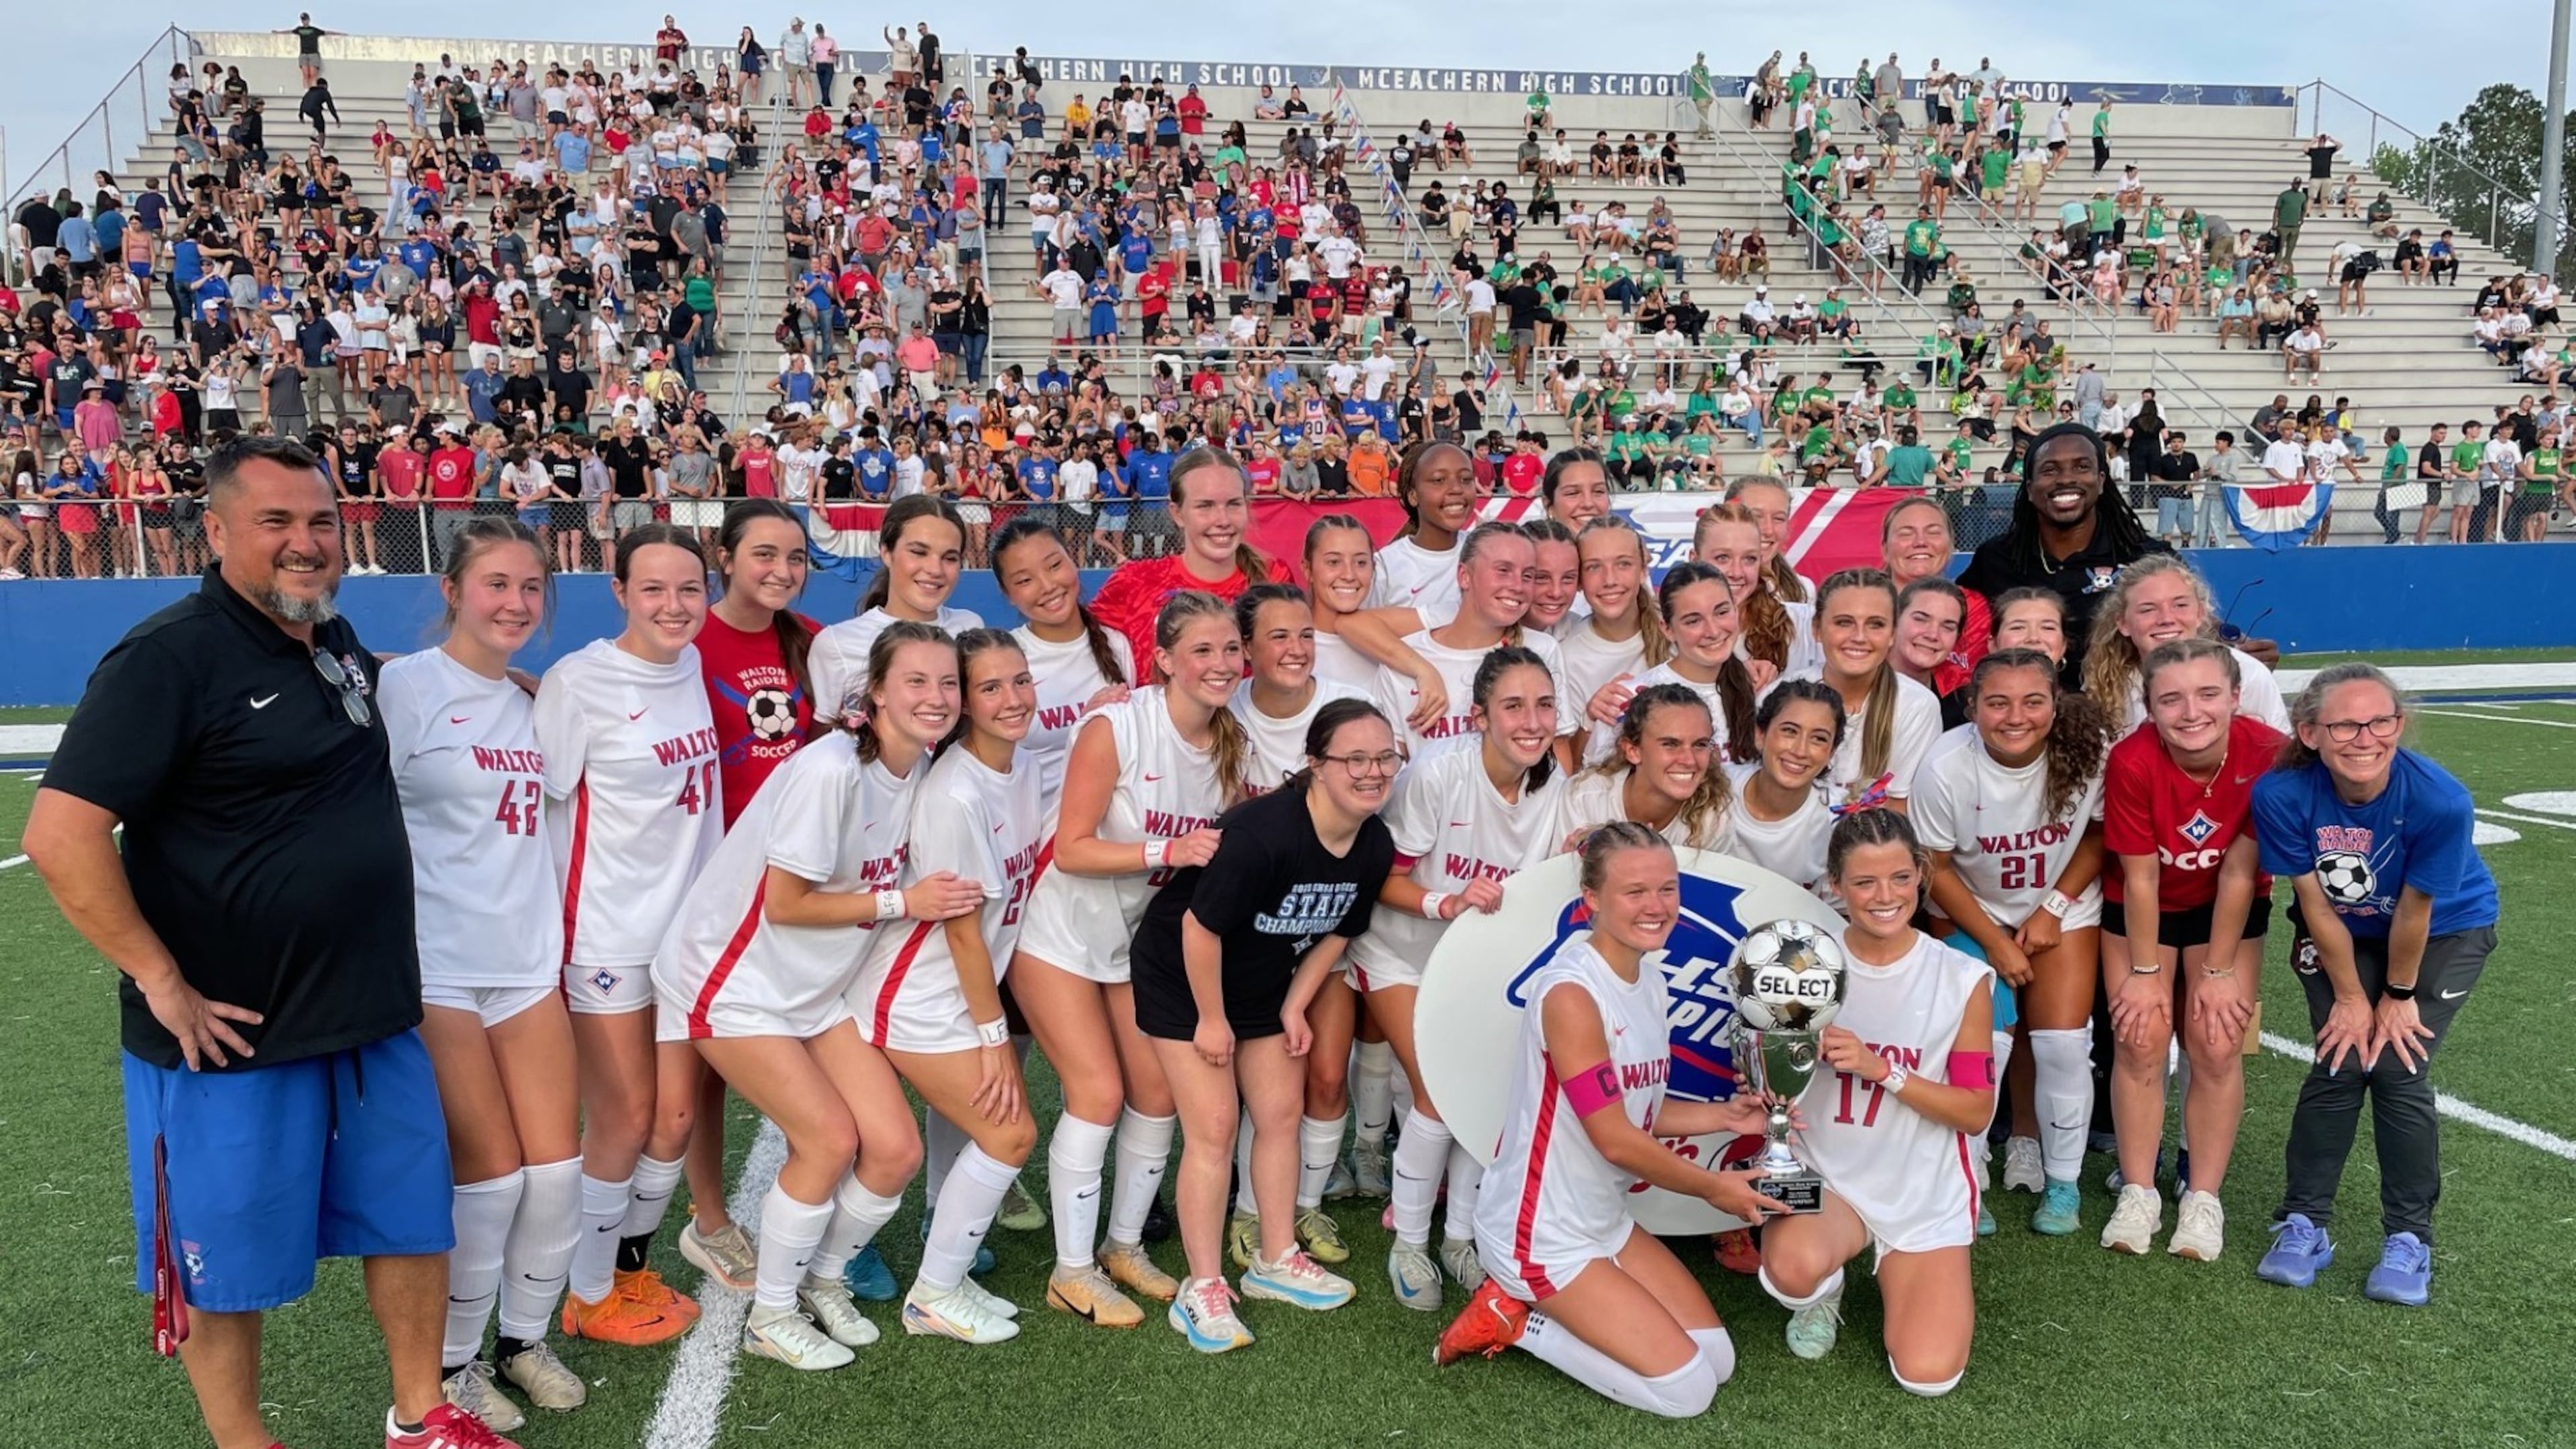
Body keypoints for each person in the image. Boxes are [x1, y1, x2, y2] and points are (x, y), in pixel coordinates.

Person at [22, 435, 515, 1449]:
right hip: (233, 1028)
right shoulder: (168, 657)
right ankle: (243, 1441)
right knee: (223, 1255)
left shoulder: (330, 641)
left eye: (322, 522)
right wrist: (160, 980)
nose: (306, 543)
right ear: (214, 531)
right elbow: (60, 836)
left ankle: (421, 1416)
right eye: (276, 523)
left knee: (414, 1219)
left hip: (373, 1006)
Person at [652, 621, 981, 1368]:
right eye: (917, 683)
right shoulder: (832, 769)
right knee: (830, 1140)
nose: (936, 698)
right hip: (735, 982)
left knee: (893, 1150)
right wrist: (906, 901)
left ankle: (822, 1278)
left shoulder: (924, 772)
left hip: (815, 985)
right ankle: (770, 1316)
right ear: (876, 695)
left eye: (948, 683)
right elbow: (786, 904)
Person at [1432, 824, 1780, 1415]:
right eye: (1635, 892)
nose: (1656, 907)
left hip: (1604, 1219)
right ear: (1591, 898)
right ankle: (1514, 1321)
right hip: (1540, 1235)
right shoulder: (1572, 993)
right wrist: (1714, 1189)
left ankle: (1533, 1308)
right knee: (1688, 1393)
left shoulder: (1649, 974)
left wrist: (1724, 1114)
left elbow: (1636, 1108)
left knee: (1717, 1359)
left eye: (1667, 889)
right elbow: (1616, 1139)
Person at [378, 520, 589, 1432]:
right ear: (454, 589)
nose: (515, 603)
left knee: (557, 1173)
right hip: (438, 966)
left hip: (526, 961)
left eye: (532, 588)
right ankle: (454, 1365)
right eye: (497, 583)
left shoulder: (540, 702)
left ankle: (524, 1341)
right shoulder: (405, 688)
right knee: (492, 1178)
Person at [1009, 591, 1248, 1328]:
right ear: (1165, 660)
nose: (1220, 664)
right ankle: (1070, 1272)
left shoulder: (1232, 744)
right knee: (1098, 1093)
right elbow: (1074, 848)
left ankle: (1121, 1247)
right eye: (1201, 651)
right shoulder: (1117, 725)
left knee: (1157, 1094)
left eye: (1231, 650)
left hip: (1134, 943)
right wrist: (1165, 851)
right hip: (1057, 931)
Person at [1132, 697, 1400, 1350]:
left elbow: (1339, 932)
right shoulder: (1265, 834)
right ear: (1315, 765)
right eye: (1355, 759)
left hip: (1264, 981)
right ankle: (1202, 1288)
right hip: (1187, 979)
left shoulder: (1374, 842)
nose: (1373, 772)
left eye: (1385, 757)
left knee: (1280, 1112)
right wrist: (1213, 1020)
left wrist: (1293, 1005)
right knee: (1215, 1127)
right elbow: (1198, 929)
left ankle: (1275, 1260)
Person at [2252, 665, 2498, 1306]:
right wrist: (2352, 998)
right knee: (2338, 1058)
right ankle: (2304, 1222)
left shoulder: (2439, 800)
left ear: (2399, 724)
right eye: (2344, 724)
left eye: (2380, 721)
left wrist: (2393, 996)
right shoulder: (2281, 796)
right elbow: (2315, 905)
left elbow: (2416, 910)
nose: (2365, 737)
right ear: (2310, 732)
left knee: (2394, 1066)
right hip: (2342, 931)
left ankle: (2409, 1238)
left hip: (2444, 931)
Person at [533, 524, 723, 1349]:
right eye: (653, 589)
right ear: (619, 593)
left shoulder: (691, 665)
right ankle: (585, 1292)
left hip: (686, 940)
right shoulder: (581, 682)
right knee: (624, 1117)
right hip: (606, 936)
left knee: (676, 1119)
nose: (674, 606)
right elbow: (541, 810)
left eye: (689, 588)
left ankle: (629, 1267)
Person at [846, 628, 1057, 1341]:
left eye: (1020, 681)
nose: (1011, 699)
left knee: (989, 1132)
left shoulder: (1022, 767)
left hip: (955, 992)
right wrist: (994, 1037)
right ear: (963, 703)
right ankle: (932, 1295)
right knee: (1011, 1131)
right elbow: (964, 930)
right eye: (989, 688)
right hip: (917, 995)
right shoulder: (955, 793)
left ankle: (944, 1278)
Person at [1350, 645, 1568, 1311]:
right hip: (1400, 954)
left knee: (1488, 1096)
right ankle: (1411, 1242)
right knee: (1442, 1097)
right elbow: (1380, 878)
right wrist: (1446, 902)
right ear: (1479, 716)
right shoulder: (1438, 775)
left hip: (1479, 966)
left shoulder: (1557, 782)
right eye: (1513, 706)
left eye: (1544, 705)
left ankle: (1462, 1238)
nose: (1531, 721)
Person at [1757, 809, 1996, 1397]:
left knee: (1928, 1375)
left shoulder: (1963, 978)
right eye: (1864, 882)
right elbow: (1772, 1079)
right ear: (1835, 885)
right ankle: (1823, 1291)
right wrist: (1769, 1081)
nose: (1884, 896)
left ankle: (1903, 1265)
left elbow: (1974, 1111)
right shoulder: (1801, 967)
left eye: (1899, 878)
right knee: (1788, 1272)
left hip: (1923, 1192)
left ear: (1921, 874)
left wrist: (1882, 1070)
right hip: (1826, 1176)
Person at [1913, 648, 2110, 1237]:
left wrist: (2053, 908)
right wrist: (1995, 944)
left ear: (2056, 702)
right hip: (1968, 913)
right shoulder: (1944, 767)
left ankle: (2063, 1184)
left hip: (2061, 911)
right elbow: (1937, 869)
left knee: (2063, 1045)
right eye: (1997, 702)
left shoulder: (2087, 748)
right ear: (1972, 706)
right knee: (1985, 1048)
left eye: (2033, 701)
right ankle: (1968, 1181)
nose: (2015, 716)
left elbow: (2100, 833)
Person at [2098, 638, 2279, 1259]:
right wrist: (2147, 972)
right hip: (2142, 906)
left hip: (2226, 909)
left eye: (2207, 695)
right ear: (2149, 707)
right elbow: (2141, 876)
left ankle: (2203, 1199)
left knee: (2217, 1040)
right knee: (2141, 1036)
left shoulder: (2267, 752)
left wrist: (2221, 970)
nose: (2191, 712)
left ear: (2235, 696)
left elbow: (2239, 872)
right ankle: (2140, 1190)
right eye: (2170, 699)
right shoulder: (2132, 760)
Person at [1958, 422, 2171, 669]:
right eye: (2049, 470)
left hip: (2119, 706)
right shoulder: (1995, 558)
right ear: (2029, 487)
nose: (2066, 479)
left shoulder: (2149, 560)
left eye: (2082, 467)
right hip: (2024, 704)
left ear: (2101, 480)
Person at [808, 497, 983, 718]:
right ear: (886, 553)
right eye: (919, 552)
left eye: (950, 558)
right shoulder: (837, 644)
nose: (935, 569)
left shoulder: (970, 627)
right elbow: (826, 738)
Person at [1789, 568, 1945, 808]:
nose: (1859, 637)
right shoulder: (1783, 696)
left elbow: (1899, 809)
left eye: (1875, 624)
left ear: (1893, 633)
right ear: (1817, 629)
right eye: (1844, 622)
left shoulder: (1918, 706)